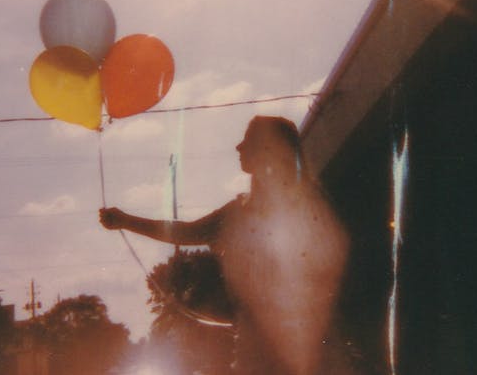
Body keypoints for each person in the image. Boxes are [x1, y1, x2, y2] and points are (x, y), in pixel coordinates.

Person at [100, 116, 349, 375]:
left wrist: (126, 221)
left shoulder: (262, 211)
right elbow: (187, 231)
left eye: (248, 141)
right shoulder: (289, 206)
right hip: (280, 348)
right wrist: (126, 220)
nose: (238, 147)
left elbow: (187, 232)